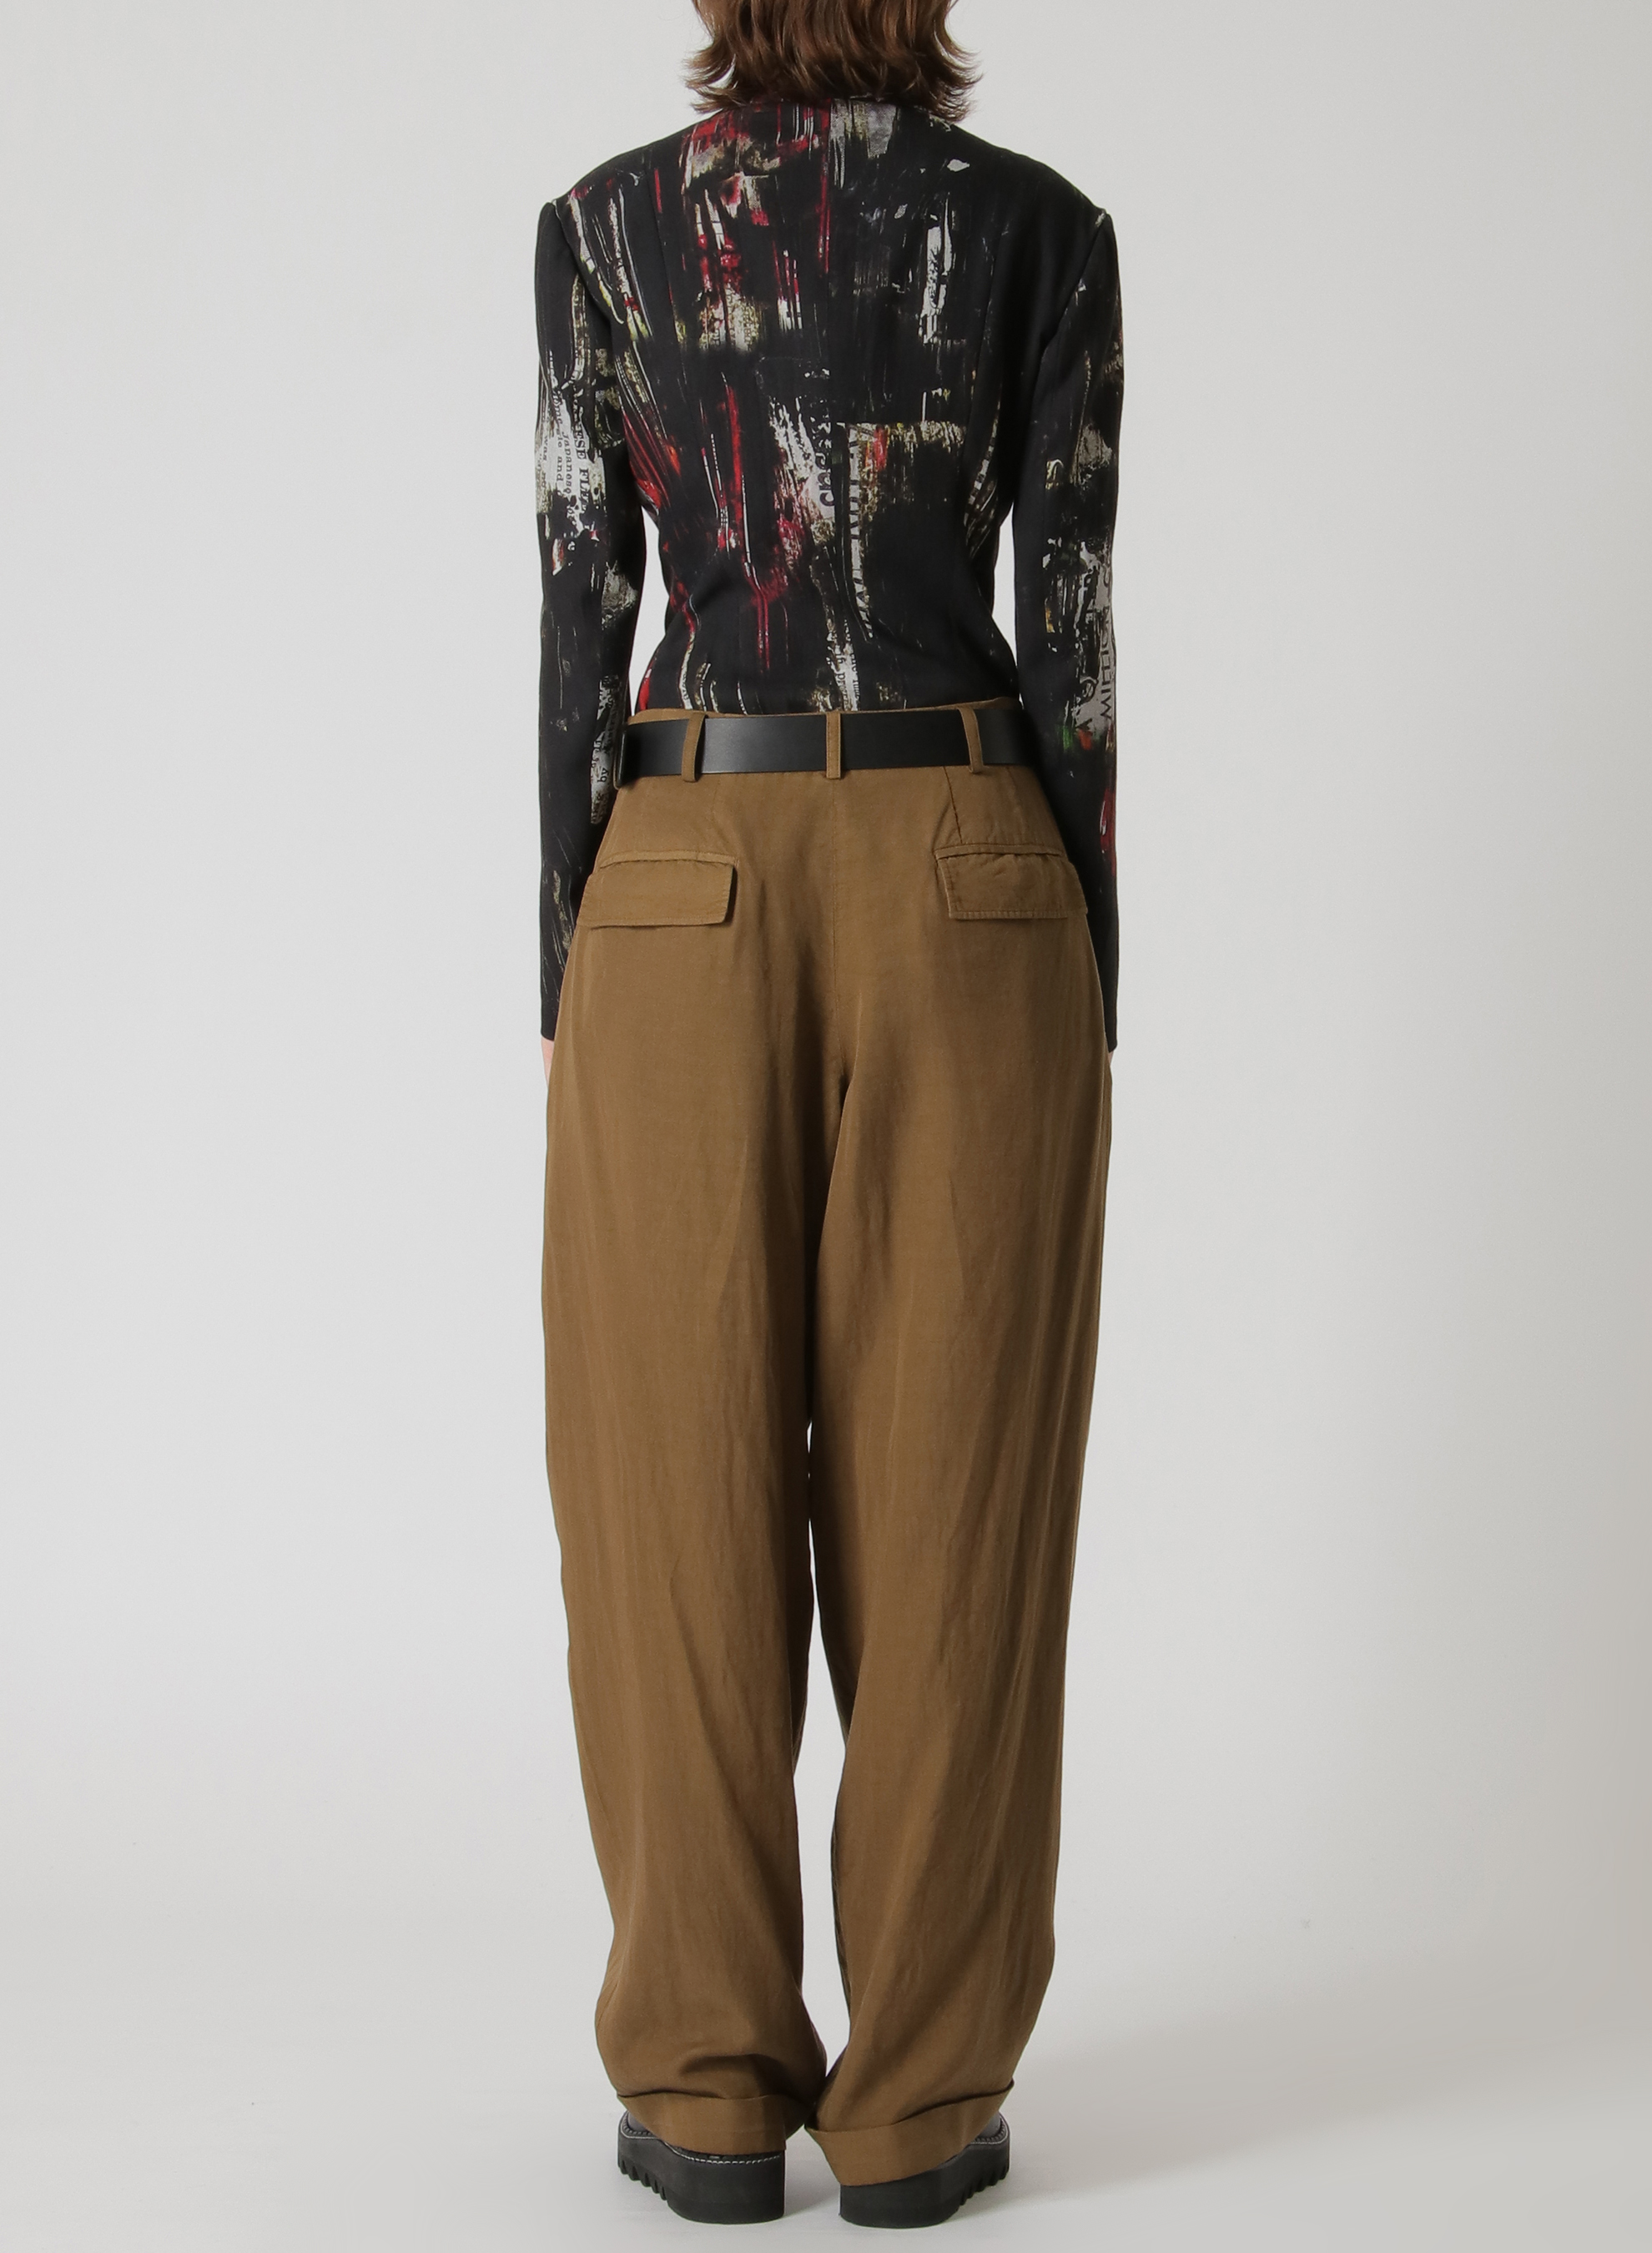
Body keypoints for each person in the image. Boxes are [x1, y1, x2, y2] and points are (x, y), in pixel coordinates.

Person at [535, 0, 1121, 2226]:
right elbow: (1070, 624)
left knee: (663, 1495)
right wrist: (1084, 964)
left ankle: (703, 2082)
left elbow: (578, 613)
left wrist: (568, 962)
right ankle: (923, 2099)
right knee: (962, 1500)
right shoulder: (1039, 230)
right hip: (974, 857)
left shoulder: (605, 230)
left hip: (679, 855)